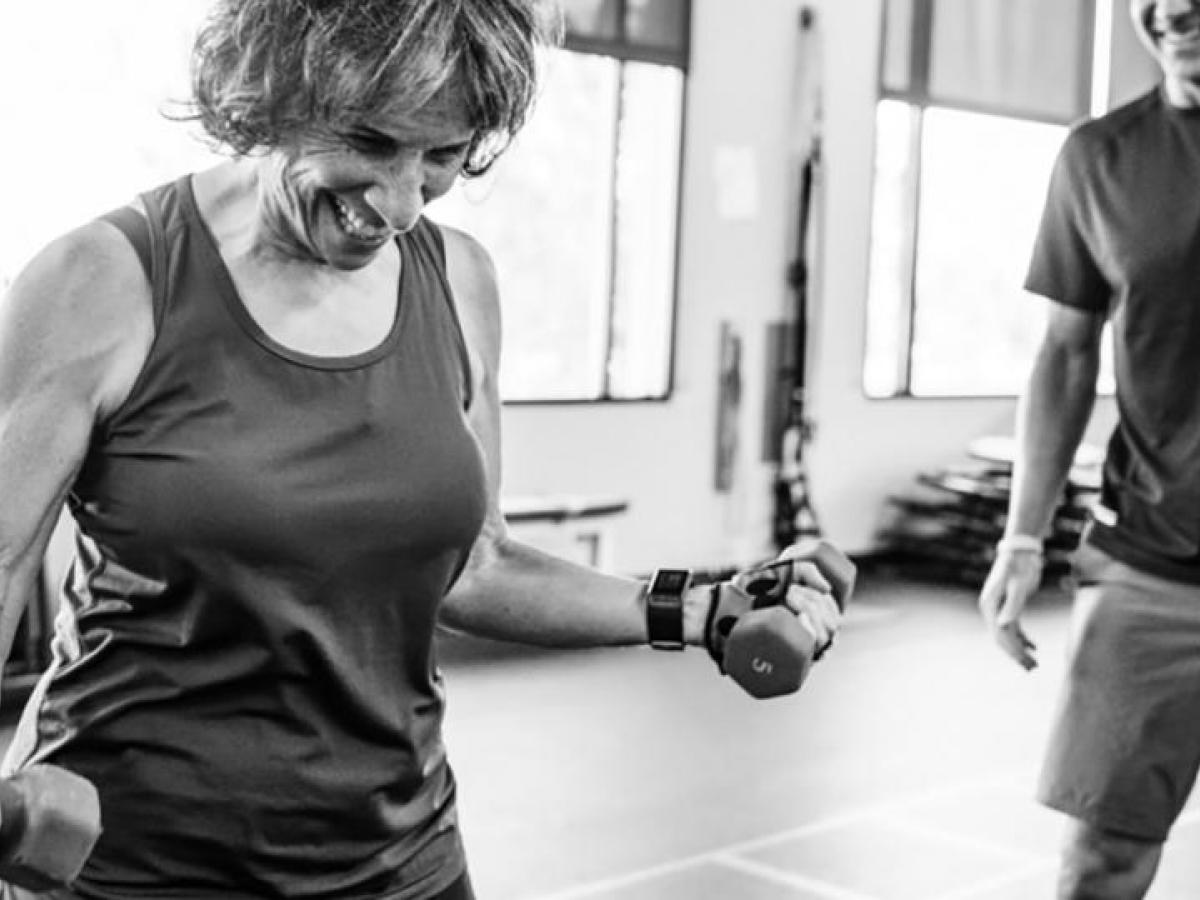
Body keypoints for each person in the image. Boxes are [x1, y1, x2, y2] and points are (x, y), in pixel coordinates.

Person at [0, 1, 845, 898]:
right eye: (370, 142)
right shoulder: (101, 283)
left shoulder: (460, 281)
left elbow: (476, 567)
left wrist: (701, 610)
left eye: (443, 156)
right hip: (136, 865)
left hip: (401, 860)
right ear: (276, 92)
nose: (401, 206)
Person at [978, 1, 1200, 896]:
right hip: (1152, 563)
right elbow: (1065, 356)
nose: (1172, 10)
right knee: (1100, 862)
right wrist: (1022, 538)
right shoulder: (1101, 157)